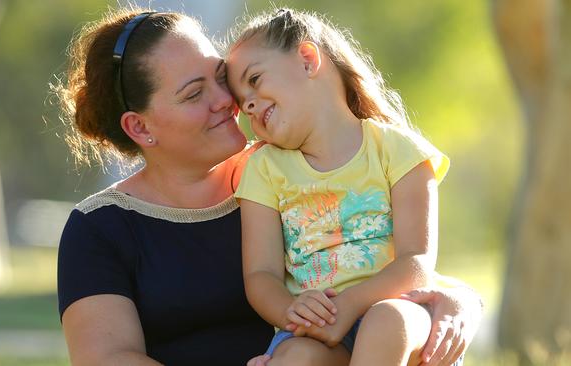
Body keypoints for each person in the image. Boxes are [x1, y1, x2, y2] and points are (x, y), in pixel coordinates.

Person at [54, 7, 482, 366]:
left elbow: (382, 258)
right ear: (140, 127)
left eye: (222, 78)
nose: (229, 100)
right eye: (193, 94)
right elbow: (108, 360)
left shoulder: (287, 173)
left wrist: (462, 304)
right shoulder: (99, 228)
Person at [226, 9, 459, 365]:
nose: (250, 105)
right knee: (297, 357)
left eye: (254, 79)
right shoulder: (264, 170)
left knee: (385, 323)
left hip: (398, 310)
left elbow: (417, 262)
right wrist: (293, 308)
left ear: (307, 59)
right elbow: (261, 275)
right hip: (316, 326)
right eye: (243, 103)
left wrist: (350, 306)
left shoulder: (398, 150)